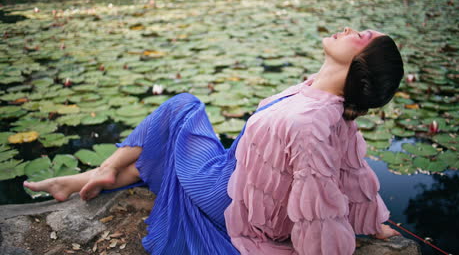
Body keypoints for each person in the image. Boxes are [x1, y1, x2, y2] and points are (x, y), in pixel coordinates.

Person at [24, 26, 403, 254]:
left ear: (361, 63)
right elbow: (352, 171)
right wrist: (375, 224)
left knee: (184, 106)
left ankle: (103, 170)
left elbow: (321, 200)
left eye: (363, 37)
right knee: (180, 135)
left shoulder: (307, 122)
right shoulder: (325, 102)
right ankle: (93, 176)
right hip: (236, 177)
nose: (351, 30)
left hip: (227, 194)